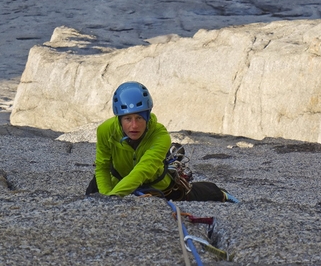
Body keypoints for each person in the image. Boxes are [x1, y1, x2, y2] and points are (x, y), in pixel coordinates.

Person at [85, 81, 238, 203]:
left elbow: (143, 170)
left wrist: (113, 197)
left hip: (155, 184)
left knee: (188, 195)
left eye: (139, 118)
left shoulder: (160, 135)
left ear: (147, 116)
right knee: (93, 190)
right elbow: (103, 167)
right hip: (117, 181)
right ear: (119, 119)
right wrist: (106, 197)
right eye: (128, 119)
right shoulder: (105, 131)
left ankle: (220, 193)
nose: (134, 125)